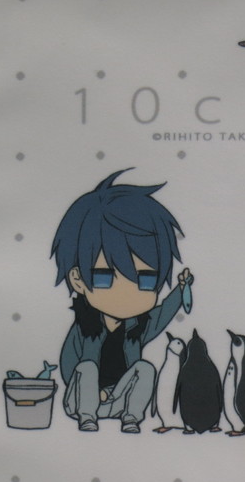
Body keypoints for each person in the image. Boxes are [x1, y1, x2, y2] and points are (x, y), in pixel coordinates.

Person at [50, 169, 192, 433]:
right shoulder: (84, 327)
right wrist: (93, 392)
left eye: (146, 280)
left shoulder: (137, 328)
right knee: (86, 367)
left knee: (145, 368)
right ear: (78, 279)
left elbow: (163, 313)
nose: (126, 291)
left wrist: (181, 289)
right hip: (82, 401)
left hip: (119, 400)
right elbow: (69, 366)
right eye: (104, 277)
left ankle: (131, 418)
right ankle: (87, 418)